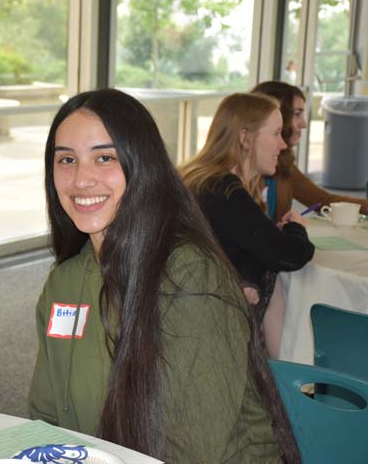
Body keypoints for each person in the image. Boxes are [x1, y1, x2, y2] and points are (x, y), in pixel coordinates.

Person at [29, 89, 299, 463]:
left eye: (104, 157)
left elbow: (189, 452)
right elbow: (46, 420)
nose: (81, 179)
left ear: (141, 164)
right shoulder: (64, 283)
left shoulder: (189, 278)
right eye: (66, 160)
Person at [180, 93, 314, 358]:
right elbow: (290, 256)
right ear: (245, 138)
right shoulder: (224, 190)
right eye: (276, 134)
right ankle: (283, 386)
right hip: (205, 326)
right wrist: (295, 228)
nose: (284, 144)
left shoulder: (203, 179)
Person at [252, 80, 368, 222]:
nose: (304, 124)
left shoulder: (282, 162)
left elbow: (322, 200)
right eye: (297, 114)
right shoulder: (242, 171)